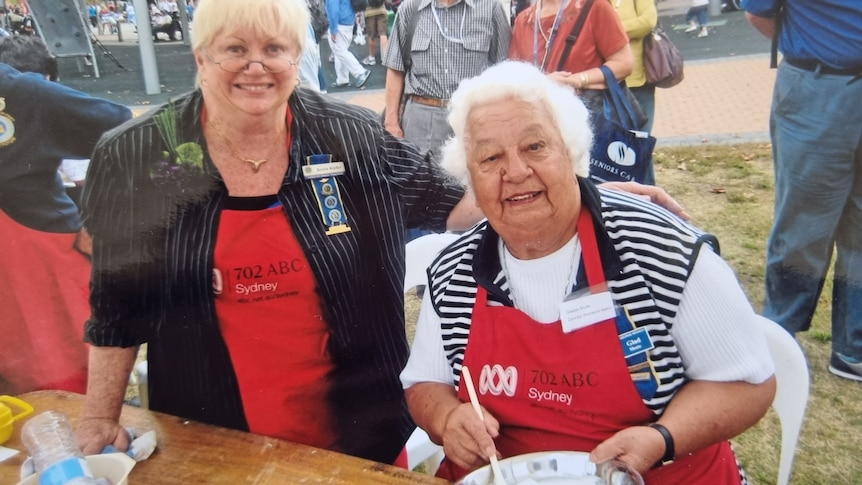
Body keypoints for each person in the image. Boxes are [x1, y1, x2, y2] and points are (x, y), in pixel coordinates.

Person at [73, 0, 479, 466]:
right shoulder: (137, 154)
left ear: (297, 57)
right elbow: (115, 306)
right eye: (235, 48)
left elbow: (454, 206)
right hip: (214, 439)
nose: (256, 65)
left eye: (274, 48)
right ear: (201, 58)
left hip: (358, 437)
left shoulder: (351, 136)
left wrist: (533, 174)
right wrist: (99, 417)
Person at [400, 61, 776, 483]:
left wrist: (662, 437)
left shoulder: (657, 246)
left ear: (572, 152)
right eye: (490, 157)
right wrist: (449, 418)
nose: (517, 172)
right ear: (471, 177)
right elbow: (424, 384)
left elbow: (749, 382)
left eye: (535, 147)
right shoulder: (455, 271)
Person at [0, 35, 131, 395]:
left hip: (32, 266)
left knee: (60, 400)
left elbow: (133, 134)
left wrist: (103, 214)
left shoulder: (20, 92)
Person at [742, 1, 862, 382]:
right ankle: (778, 336)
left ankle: (852, 348)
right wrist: (819, 50)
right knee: (803, 224)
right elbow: (757, 12)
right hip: (818, 88)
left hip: (829, 80)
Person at [382, 0, 510, 162]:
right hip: (421, 118)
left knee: (473, 181)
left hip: (472, 118)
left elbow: (503, 70)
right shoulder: (411, 8)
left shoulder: (491, 8)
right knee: (420, 182)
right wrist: (391, 123)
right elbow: (395, 68)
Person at [508, 0, 634, 121]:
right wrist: (544, 84)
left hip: (586, 121)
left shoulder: (595, 6)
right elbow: (514, 78)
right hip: (540, 122)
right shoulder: (523, 20)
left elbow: (623, 63)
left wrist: (575, 81)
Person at [614, 0, 657, 184]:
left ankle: (649, 195)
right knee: (613, 144)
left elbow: (647, 22)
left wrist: (610, 29)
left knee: (640, 143)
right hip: (609, 85)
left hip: (638, 82)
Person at [326, 0, 371, 88]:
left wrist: (333, 29)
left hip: (340, 23)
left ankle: (360, 72)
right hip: (349, 21)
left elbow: (333, 9)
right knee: (341, 51)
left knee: (339, 50)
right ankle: (342, 79)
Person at [361, 0, 388, 66]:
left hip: (369, 13)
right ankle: (386, 58)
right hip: (382, 11)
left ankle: (371, 58)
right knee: (383, 34)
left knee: (371, 36)